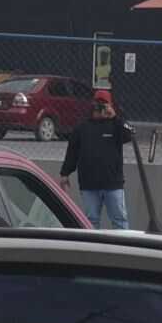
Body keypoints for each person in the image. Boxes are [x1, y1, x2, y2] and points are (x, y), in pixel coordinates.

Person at [60, 88, 137, 229]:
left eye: (104, 104)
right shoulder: (82, 128)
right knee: (91, 221)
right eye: (98, 103)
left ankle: (122, 249)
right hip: (89, 184)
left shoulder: (116, 125)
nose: (100, 107)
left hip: (112, 183)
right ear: (93, 104)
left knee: (120, 219)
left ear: (111, 105)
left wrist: (114, 117)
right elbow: (72, 152)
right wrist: (65, 173)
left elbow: (130, 134)